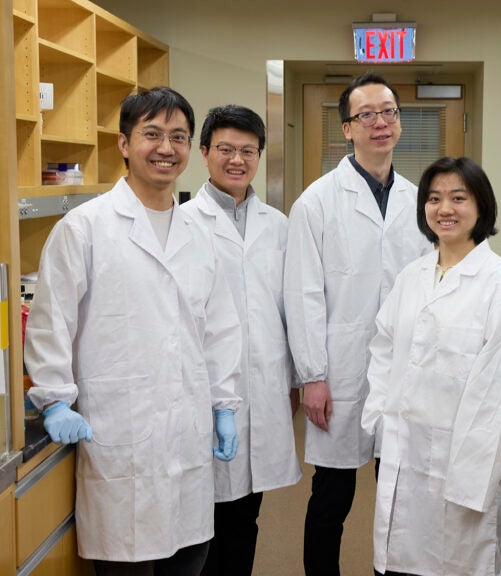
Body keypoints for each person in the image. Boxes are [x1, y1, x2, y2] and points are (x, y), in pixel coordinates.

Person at [24, 86, 243, 576]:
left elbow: (220, 332)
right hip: (119, 436)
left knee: (189, 560)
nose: (166, 148)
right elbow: (51, 318)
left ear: (190, 149)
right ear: (124, 144)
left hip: (186, 440)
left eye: (179, 137)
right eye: (152, 134)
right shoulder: (85, 228)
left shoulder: (200, 238)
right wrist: (55, 397)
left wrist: (224, 405)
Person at [284, 73, 431, 575]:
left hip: (403, 373)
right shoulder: (316, 202)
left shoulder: (423, 201)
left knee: (398, 498)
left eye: (389, 112)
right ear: (347, 128)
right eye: (366, 115)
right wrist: (313, 376)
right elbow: (302, 295)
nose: (380, 123)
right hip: (341, 372)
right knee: (331, 499)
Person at [362, 157, 501, 576]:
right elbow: (384, 346)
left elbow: (499, 394)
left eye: (459, 198)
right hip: (404, 452)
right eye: (434, 198)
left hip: (460, 470)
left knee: (455, 561)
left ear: (481, 207)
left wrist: (472, 479)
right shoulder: (412, 277)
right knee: (399, 561)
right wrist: (379, 417)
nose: (445, 209)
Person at [182, 104, 302, 576]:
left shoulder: (279, 225)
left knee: (247, 515)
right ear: (205, 153)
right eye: (226, 149)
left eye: (248, 151)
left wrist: (294, 377)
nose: (237, 160)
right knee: (204, 518)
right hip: (207, 390)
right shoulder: (184, 223)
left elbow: (288, 307)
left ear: (259, 156)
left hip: (266, 387)